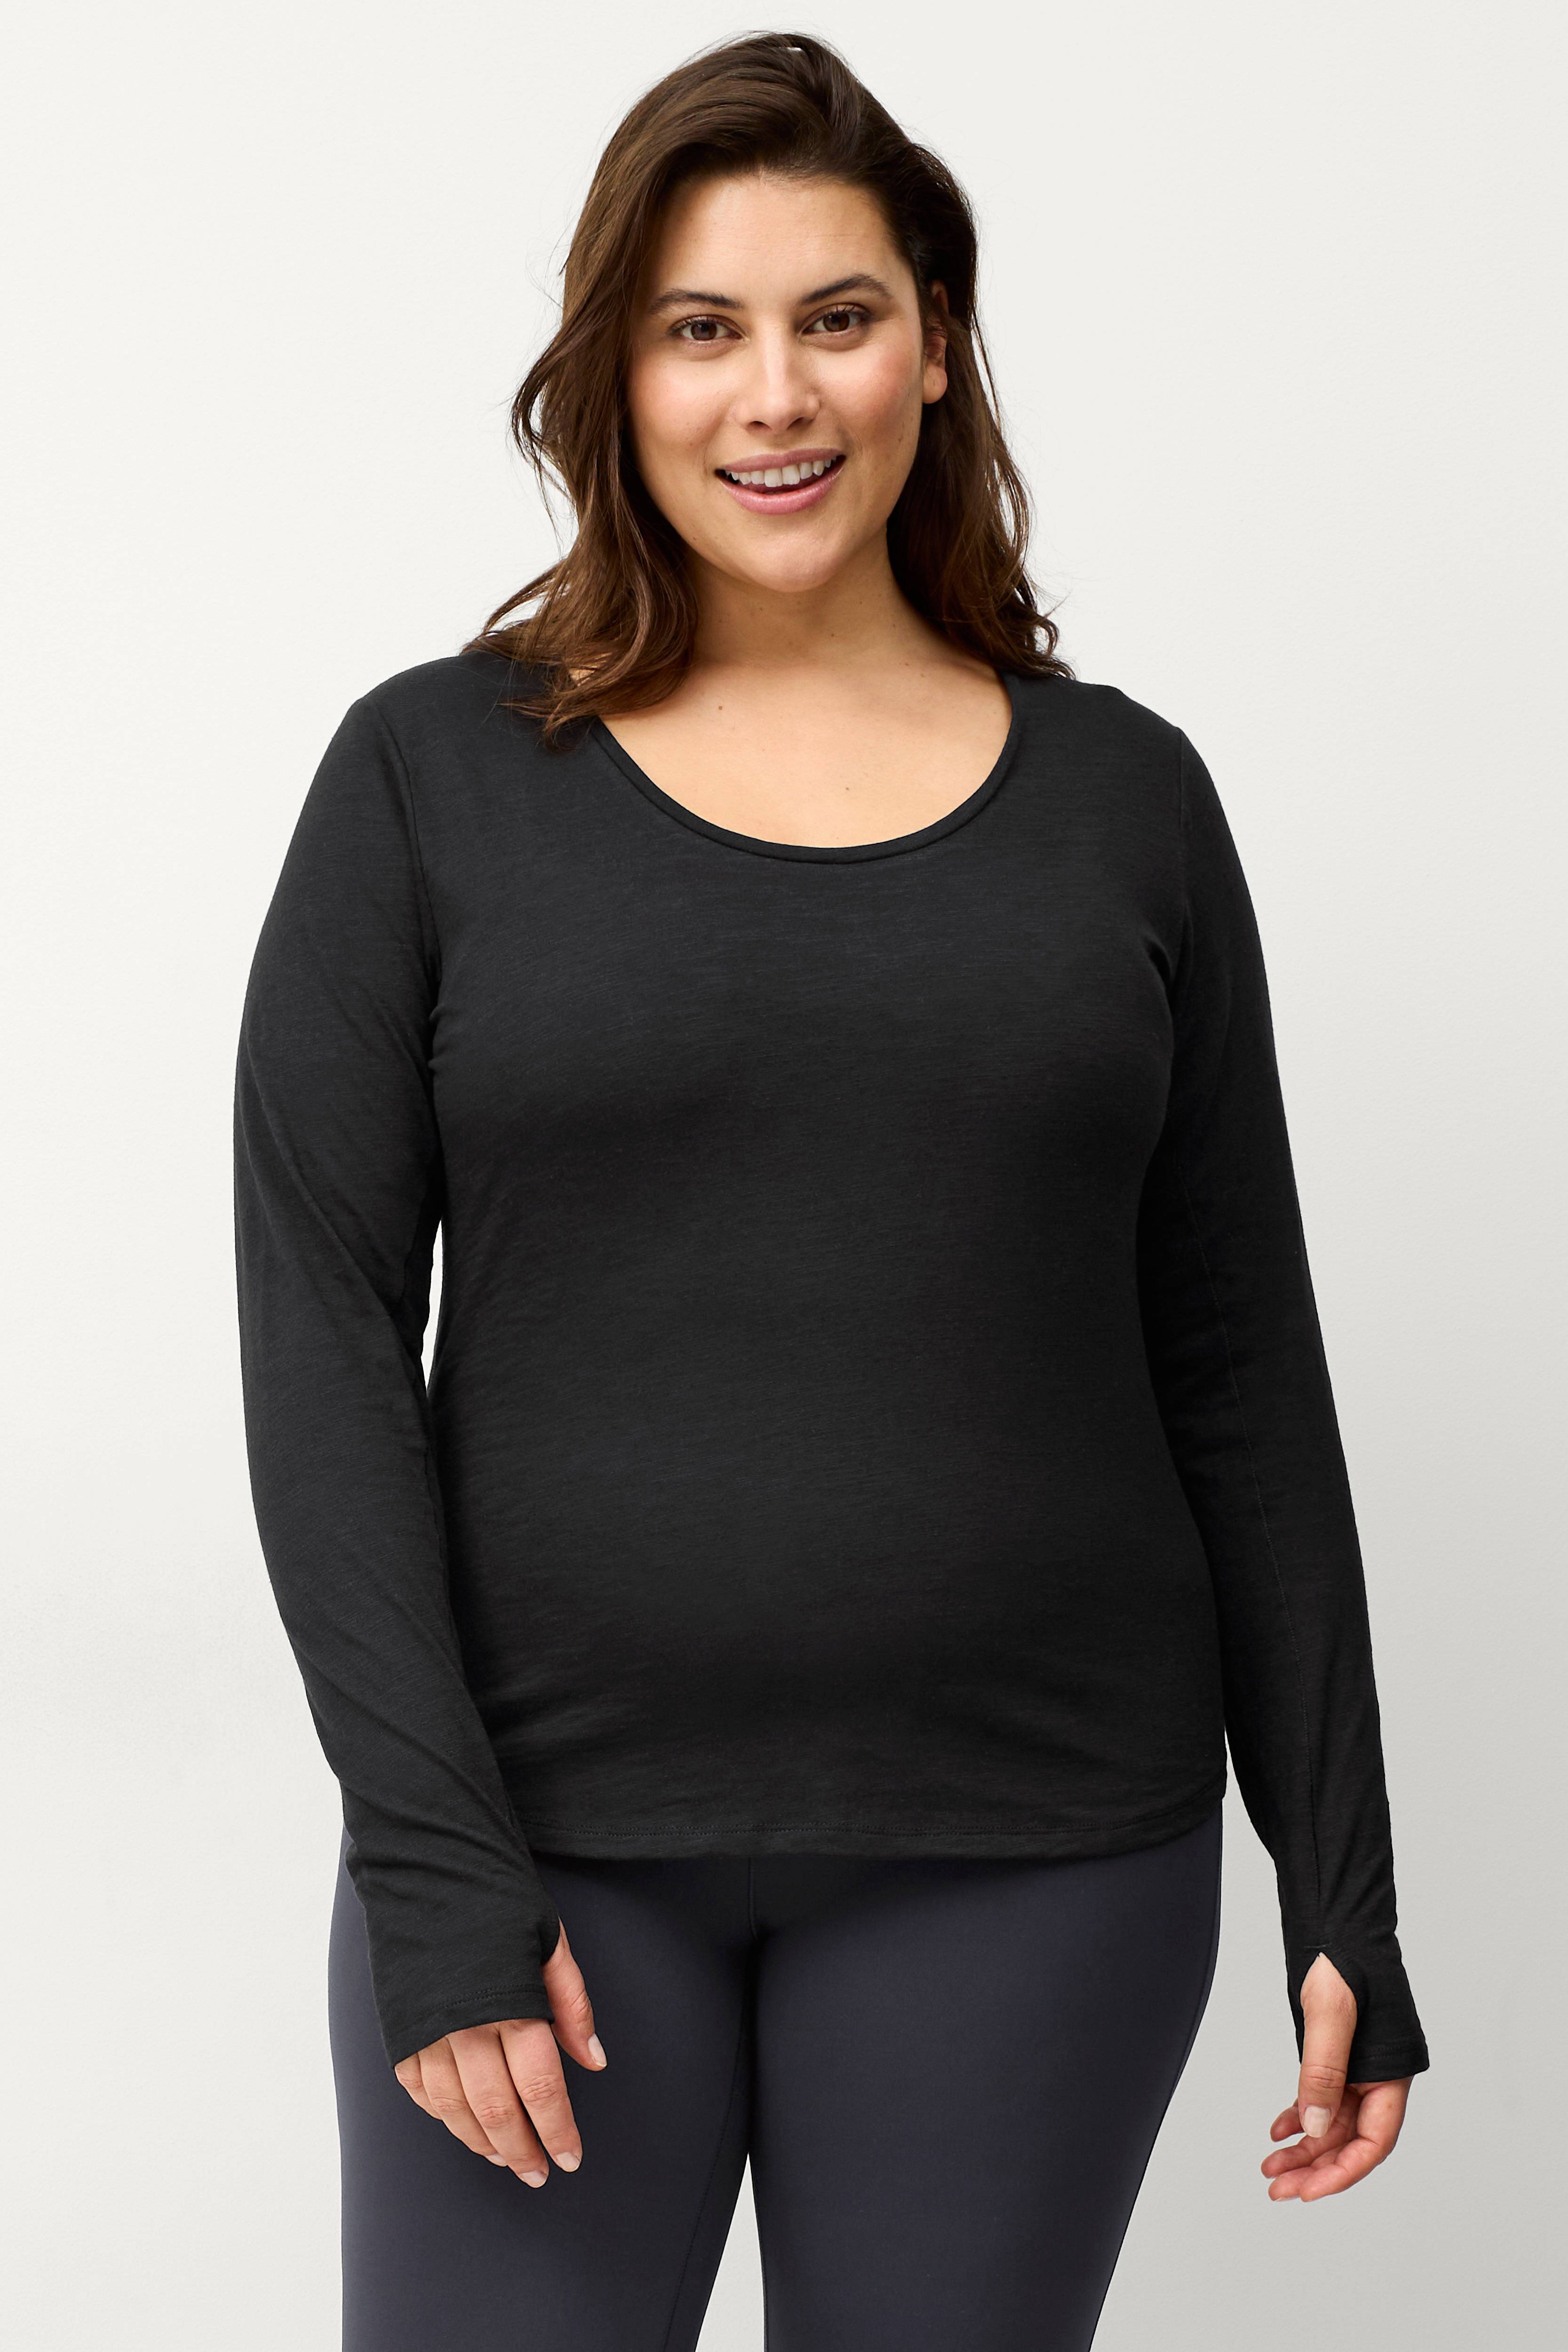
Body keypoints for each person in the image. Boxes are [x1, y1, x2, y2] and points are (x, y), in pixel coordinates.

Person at [233, 31, 1428, 2352]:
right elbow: (322, 1332)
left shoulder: (1128, 804)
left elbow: (1241, 1368)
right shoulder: (427, 780)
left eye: (838, 316)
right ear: (618, 369)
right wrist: (438, 1867)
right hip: (549, 1862)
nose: (774, 395)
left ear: (936, 346)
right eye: (702, 327)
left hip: (1041, 1858)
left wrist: (1345, 1885)